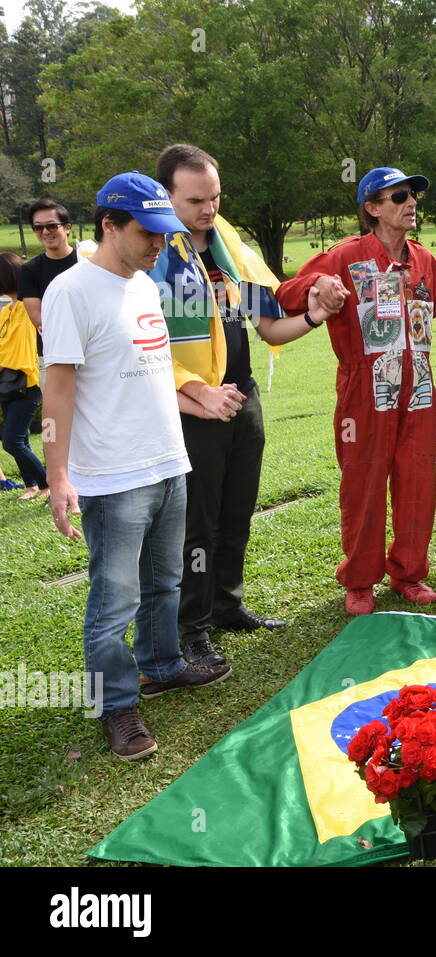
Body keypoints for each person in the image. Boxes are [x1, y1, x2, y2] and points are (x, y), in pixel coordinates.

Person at [42, 171, 232, 760]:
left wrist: (196, 396)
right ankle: (116, 706)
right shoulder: (71, 291)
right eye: (147, 233)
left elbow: (149, 376)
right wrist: (57, 476)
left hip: (168, 463)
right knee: (113, 599)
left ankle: (162, 665)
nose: (158, 244)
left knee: (164, 581)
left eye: (163, 232)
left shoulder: (145, 286)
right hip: (113, 477)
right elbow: (58, 392)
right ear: (109, 225)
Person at [278, 166, 436, 614]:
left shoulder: (424, 258)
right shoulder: (344, 256)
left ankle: (408, 572)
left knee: (417, 481)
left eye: (413, 196)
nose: (411, 203)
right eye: (399, 196)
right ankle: (360, 580)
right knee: (363, 483)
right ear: (372, 208)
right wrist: (318, 284)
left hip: (419, 389)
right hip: (363, 392)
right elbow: (285, 293)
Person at [150, 144, 336, 666]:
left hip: (241, 396)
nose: (209, 210)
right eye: (195, 201)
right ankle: (192, 627)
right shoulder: (155, 257)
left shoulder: (229, 251)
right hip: (195, 406)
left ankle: (227, 605)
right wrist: (194, 392)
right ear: (166, 196)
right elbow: (143, 348)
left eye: (214, 197)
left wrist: (315, 315)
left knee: (236, 511)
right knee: (196, 523)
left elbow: (269, 324)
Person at [0, 253, 48, 500]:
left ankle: (46, 483)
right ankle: (32, 486)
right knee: (20, 440)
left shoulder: (26, 307)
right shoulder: (6, 310)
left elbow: (17, 349)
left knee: (12, 442)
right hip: (7, 384)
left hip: (26, 382)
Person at [19, 199, 79, 351]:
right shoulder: (30, 270)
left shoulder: (86, 261)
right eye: (38, 227)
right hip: (57, 347)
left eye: (51, 226)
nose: (45, 232)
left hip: (96, 343)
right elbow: (37, 317)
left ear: (67, 227)